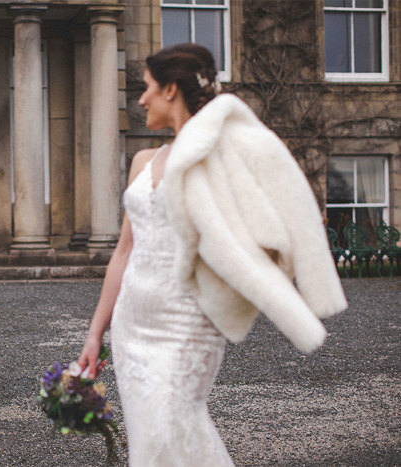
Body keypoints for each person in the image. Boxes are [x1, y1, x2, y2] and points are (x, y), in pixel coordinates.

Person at [77, 44, 347, 465]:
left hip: (189, 322)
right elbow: (124, 252)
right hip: (133, 324)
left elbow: (280, 212)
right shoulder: (143, 161)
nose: (141, 99)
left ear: (170, 89)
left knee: (171, 427)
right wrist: (96, 334)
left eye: (147, 88)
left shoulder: (222, 156)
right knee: (153, 438)